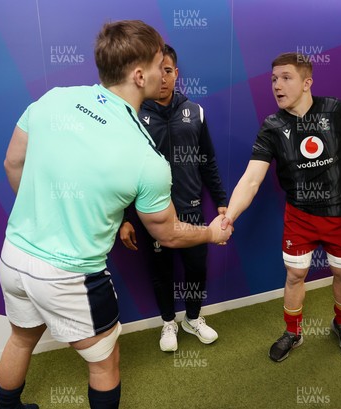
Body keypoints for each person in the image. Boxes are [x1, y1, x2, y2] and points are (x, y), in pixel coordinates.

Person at [0, 20, 231, 409]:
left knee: (21, 337)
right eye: (160, 63)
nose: (165, 71)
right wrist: (210, 234)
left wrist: (47, 214)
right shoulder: (146, 158)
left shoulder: (53, 99)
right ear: (140, 75)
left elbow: (12, 162)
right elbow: (169, 234)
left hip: (14, 257)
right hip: (71, 275)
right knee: (105, 364)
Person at [221, 52, 341, 362]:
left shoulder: (337, 111)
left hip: (340, 214)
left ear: (307, 82)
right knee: (295, 274)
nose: (277, 86)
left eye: (286, 78)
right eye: (273, 80)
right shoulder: (272, 126)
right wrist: (230, 216)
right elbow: (252, 179)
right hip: (300, 216)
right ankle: (293, 333)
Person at [119, 44, 227, 352]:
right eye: (158, 71)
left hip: (191, 210)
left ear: (176, 74)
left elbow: (207, 159)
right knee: (161, 272)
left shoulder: (195, 111)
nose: (163, 78)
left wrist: (220, 198)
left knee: (196, 269)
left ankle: (193, 318)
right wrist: (125, 219)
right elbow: (126, 171)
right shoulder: (134, 115)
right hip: (151, 214)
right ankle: (168, 322)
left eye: (168, 71)